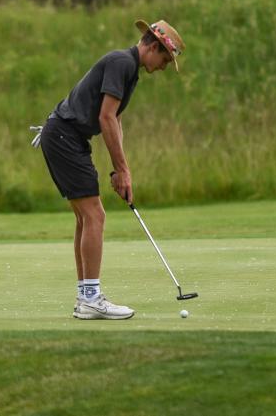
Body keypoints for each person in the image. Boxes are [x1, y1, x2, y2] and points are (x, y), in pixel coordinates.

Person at [34, 19, 184, 320]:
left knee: (85, 217)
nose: (164, 67)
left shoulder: (129, 70)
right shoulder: (122, 63)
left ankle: (84, 297)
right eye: (165, 59)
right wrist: (122, 170)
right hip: (64, 137)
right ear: (153, 47)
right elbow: (105, 118)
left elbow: (114, 120)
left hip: (67, 137)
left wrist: (121, 170)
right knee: (94, 215)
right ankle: (91, 298)